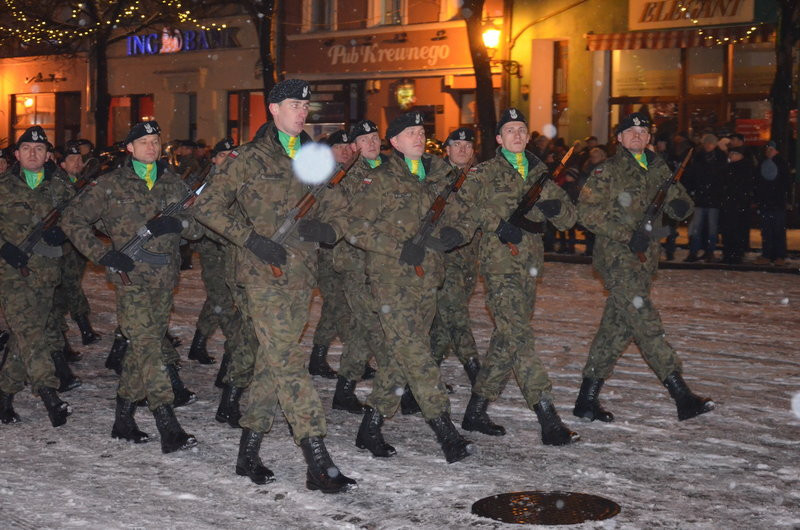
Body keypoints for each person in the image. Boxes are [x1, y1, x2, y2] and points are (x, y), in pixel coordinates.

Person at [193, 79, 356, 493]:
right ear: (273, 110)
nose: (302, 112)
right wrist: (250, 239)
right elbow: (207, 207)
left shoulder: (315, 157)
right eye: (294, 105)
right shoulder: (247, 159)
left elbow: (339, 208)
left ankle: (248, 451)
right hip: (259, 276)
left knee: (271, 364)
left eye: (305, 105)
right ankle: (317, 458)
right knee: (287, 361)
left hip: (302, 277)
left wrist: (328, 228)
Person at [62, 120, 204, 452]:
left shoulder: (173, 184)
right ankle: (168, 424)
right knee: (150, 351)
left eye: (156, 141)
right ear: (130, 148)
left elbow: (197, 230)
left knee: (144, 348)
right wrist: (103, 254)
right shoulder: (110, 184)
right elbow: (72, 219)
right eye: (144, 142)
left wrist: (179, 222)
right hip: (130, 281)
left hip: (164, 280)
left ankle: (123, 419)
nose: (151, 147)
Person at [346, 110, 476, 464]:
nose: (418, 137)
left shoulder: (439, 175)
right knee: (418, 356)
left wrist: (455, 234)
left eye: (421, 131)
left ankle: (370, 427)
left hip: (428, 280)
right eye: (410, 132)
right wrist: (398, 247)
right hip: (392, 283)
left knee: (400, 359)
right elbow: (356, 228)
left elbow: (465, 214)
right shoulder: (381, 179)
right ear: (395, 143)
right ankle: (445, 430)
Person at [573, 112, 714, 422]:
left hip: (645, 260)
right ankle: (681, 395)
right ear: (620, 139)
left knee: (616, 328)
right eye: (630, 131)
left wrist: (680, 208)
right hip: (617, 258)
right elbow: (586, 212)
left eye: (642, 130)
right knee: (645, 322)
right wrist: (626, 234)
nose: (637, 135)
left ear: (649, 138)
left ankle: (586, 399)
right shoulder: (607, 171)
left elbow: (680, 201)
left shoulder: (659, 168)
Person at [457, 108, 579, 446]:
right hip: (499, 267)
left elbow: (569, 220)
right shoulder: (484, 172)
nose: (516, 135)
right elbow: (463, 206)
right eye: (509, 130)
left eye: (521, 129)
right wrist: (497, 224)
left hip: (529, 268)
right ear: (498, 138)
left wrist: (556, 209)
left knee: (507, 339)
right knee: (520, 337)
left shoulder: (541, 173)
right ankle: (547, 417)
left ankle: (475, 410)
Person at [0, 126, 77, 426]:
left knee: (24, 339)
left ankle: (4, 396)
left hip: (46, 274)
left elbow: (78, 220)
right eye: (27, 148)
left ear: (48, 156)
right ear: (17, 155)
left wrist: (63, 232)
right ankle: (50, 394)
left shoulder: (61, 188)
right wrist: (4, 248)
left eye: (40, 149)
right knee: (32, 336)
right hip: (10, 274)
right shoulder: (3, 186)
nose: (33, 153)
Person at [328, 121, 388, 414]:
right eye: (365, 140)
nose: (372, 143)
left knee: (362, 331)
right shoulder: (347, 178)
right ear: (354, 147)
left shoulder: (390, 170)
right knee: (376, 327)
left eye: (375, 138)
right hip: (356, 264)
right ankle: (406, 385)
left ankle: (344, 391)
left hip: (385, 263)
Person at [429, 126, 481, 387]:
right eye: (457, 145)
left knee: (443, 323)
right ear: (447, 149)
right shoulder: (435, 178)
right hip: (444, 260)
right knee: (457, 317)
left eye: (468, 146)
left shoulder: (479, 179)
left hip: (469, 262)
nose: (463, 150)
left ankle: (424, 381)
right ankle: (478, 376)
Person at [308, 129, 354, 379]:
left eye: (348, 147)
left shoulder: (350, 176)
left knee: (334, 308)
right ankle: (355, 357)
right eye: (339, 147)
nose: (345, 151)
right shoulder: (320, 178)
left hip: (347, 254)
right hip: (325, 254)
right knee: (340, 307)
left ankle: (317, 357)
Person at [52, 141, 102, 353]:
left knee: (64, 292)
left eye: (80, 159)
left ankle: (61, 341)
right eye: (72, 160)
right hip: (64, 245)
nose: (77, 163)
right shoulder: (58, 184)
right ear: (62, 164)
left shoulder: (83, 182)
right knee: (70, 285)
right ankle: (84, 328)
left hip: (80, 243)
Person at [683, 134, 726, 262]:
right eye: (706, 143)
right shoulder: (700, 157)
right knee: (698, 227)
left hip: (712, 198)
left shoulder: (718, 158)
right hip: (702, 197)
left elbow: (721, 179)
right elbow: (692, 175)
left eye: (710, 143)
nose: (708, 145)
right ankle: (695, 251)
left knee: (710, 228)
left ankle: (708, 252)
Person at [754, 141, 791, 266]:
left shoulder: (781, 164)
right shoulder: (762, 163)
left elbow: (787, 184)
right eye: (768, 149)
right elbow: (757, 184)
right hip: (766, 203)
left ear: (776, 151)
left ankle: (778, 255)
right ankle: (768, 254)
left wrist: (787, 200)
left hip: (777, 202)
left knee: (777, 230)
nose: (769, 151)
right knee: (767, 230)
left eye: (771, 149)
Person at [720, 146, 754, 264]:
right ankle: (729, 253)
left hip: (738, 203)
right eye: (731, 153)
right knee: (729, 229)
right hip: (731, 203)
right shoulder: (729, 167)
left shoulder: (745, 167)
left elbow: (744, 186)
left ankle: (735, 254)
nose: (731, 155)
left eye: (734, 153)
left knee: (736, 229)